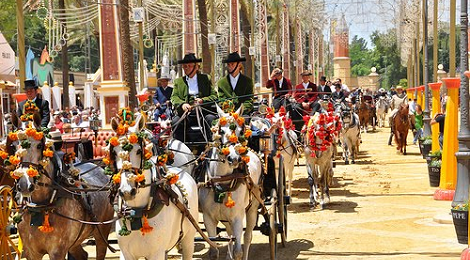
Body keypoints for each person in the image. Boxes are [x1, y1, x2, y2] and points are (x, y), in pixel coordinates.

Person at [170, 53, 217, 142]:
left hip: (203, 112)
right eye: (184, 66)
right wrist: (182, 104)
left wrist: (203, 100)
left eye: (189, 66)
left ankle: (212, 145)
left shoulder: (205, 79)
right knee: (176, 121)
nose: (186, 68)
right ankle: (180, 149)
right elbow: (174, 97)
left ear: (196, 67)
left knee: (211, 119)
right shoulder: (178, 82)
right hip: (186, 113)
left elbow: (214, 96)